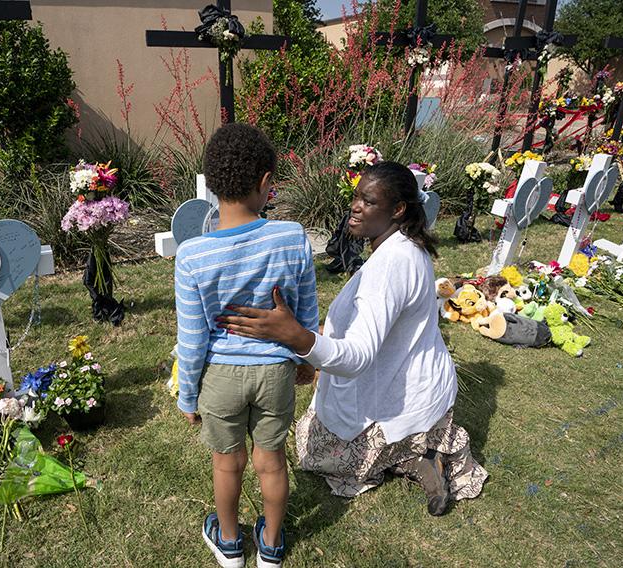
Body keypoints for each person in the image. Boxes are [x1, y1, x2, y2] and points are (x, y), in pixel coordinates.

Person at [217, 161, 488, 515]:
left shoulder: (391, 266)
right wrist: (312, 358)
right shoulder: (405, 244)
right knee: (316, 434)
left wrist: (296, 337)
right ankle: (417, 453)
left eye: (369, 201)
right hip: (416, 379)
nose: (355, 206)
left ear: (398, 209)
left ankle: (417, 456)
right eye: (357, 196)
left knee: (314, 454)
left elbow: (357, 358)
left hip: (402, 393)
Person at [175, 123, 319, 567]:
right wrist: (305, 358)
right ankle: (272, 547)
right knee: (272, 461)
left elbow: (193, 336)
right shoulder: (292, 236)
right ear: (264, 183)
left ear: (212, 186)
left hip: (220, 375)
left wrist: (188, 393)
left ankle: (231, 542)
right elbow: (304, 308)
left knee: (227, 462)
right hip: (275, 370)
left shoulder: (192, 255)